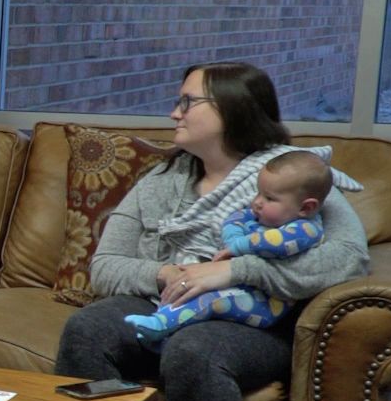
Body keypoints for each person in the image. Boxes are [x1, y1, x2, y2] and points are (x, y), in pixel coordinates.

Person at [54, 62, 369, 401]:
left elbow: (348, 259)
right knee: (87, 329)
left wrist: (229, 272)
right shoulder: (162, 180)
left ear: (232, 110)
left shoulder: (289, 175)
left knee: (192, 350)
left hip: (254, 321)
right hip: (169, 302)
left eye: (187, 102)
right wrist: (176, 273)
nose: (173, 112)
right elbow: (106, 267)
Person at [123, 149, 335, 348]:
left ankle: (160, 325)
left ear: (306, 207)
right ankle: (160, 335)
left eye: (269, 198)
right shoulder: (261, 217)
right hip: (239, 288)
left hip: (265, 304)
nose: (257, 203)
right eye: (258, 193)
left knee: (208, 301)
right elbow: (234, 219)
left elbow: (273, 244)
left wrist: (238, 246)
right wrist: (232, 236)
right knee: (190, 294)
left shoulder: (305, 229)